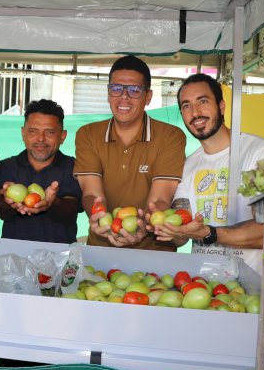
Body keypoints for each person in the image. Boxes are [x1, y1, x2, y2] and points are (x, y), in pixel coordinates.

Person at [153, 73, 264, 289]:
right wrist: (164, 227)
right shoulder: (189, 165)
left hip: (260, 296)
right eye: (186, 106)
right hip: (205, 294)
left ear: (222, 106)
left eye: (203, 101)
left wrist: (209, 233)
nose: (195, 112)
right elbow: (182, 235)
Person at [73, 55, 186, 251]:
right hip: (101, 248)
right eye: (116, 88)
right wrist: (99, 217)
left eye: (134, 90)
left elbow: (160, 199)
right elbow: (91, 193)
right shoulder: (88, 134)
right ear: (108, 94)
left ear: (148, 97)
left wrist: (142, 226)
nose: (124, 97)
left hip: (153, 251)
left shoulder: (171, 136)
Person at [0, 99, 82, 243]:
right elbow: (0, 209)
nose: (40, 139)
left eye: (50, 132)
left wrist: (52, 202)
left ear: (62, 136)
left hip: (59, 259)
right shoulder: (7, 166)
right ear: (23, 133)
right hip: (14, 257)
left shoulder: (74, 167)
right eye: (33, 131)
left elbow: (70, 211)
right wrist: (7, 201)